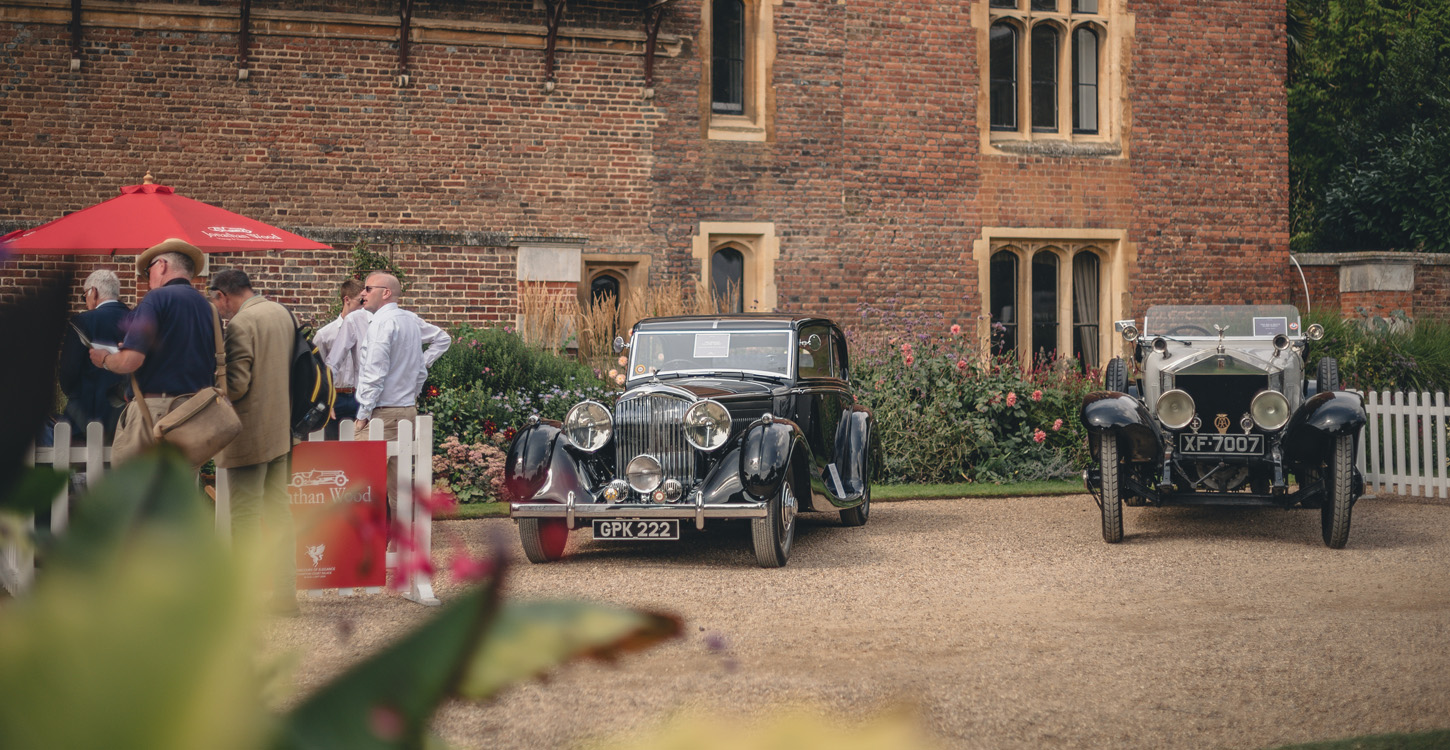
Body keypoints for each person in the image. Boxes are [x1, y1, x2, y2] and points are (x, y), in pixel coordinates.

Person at [208, 268, 299, 616]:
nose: (220, 310)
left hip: (249, 435)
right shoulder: (280, 313)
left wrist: (214, 375)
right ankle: (285, 595)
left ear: (223, 295)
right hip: (280, 430)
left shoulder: (243, 325)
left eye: (217, 302)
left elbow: (237, 385)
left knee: (245, 519)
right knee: (279, 514)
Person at [91, 238, 216, 463]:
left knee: (135, 490)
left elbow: (131, 362)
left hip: (155, 411)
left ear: (162, 265)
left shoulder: (156, 299)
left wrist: (106, 359)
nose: (148, 281)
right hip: (195, 412)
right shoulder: (207, 307)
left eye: (148, 272)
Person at [353, 272, 451, 516]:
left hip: (380, 413)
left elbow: (374, 373)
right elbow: (443, 339)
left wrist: (363, 413)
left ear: (385, 292)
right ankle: (399, 544)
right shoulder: (410, 320)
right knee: (399, 485)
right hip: (407, 410)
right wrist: (421, 363)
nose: (362, 294)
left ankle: (368, 547)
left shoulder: (383, 324)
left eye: (367, 288)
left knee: (361, 485)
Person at [59, 269, 130, 438]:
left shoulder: (82, 322)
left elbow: (69, 371)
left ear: (93, 291)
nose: (85, 302)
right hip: (128, 417)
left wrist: (76, 394)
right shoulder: (137, 319)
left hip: (86, 414)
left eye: (85, 296)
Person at [311, 277, 367, 438]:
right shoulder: (325, 334)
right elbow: (318, 370)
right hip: (336, 396)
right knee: (333, 443)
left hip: (359, 395)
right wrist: (326, 399)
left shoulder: (367, 330)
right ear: (347, 300)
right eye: (360, 302)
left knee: (359, 443)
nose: (363, 307)